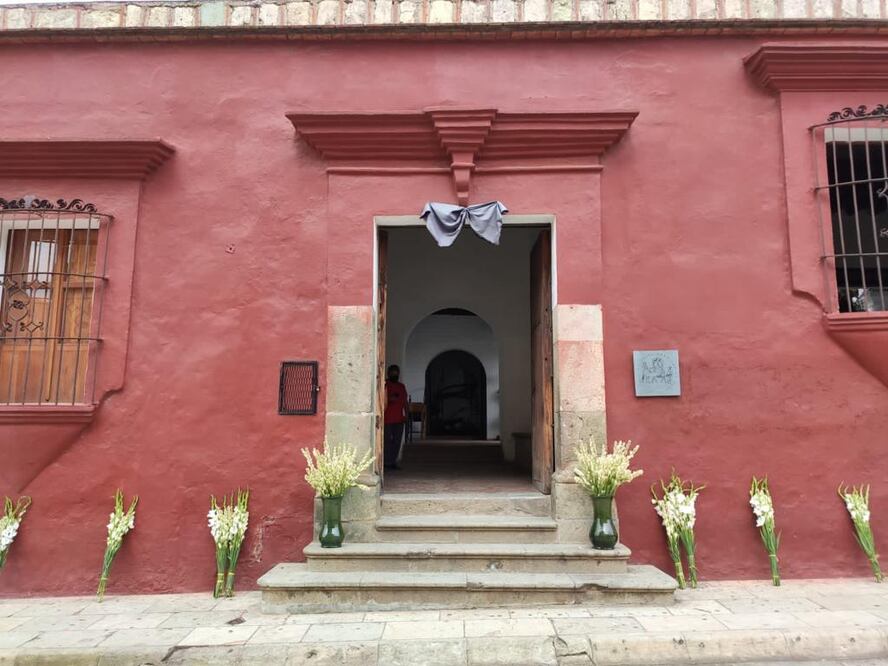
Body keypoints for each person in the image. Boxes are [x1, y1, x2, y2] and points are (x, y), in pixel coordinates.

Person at [384, 365, 408, 469]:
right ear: (388, 373)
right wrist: (390, 399)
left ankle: (393, 462)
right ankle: (385, 462)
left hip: (399, 418)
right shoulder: (385, 385)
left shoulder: (401, 386)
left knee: (397, 441)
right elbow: (381, 399)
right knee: (387, 441)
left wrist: (407, 414)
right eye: (393, 372)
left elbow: (405, 402)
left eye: (396, 372)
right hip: (387, 419)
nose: (395, 374)